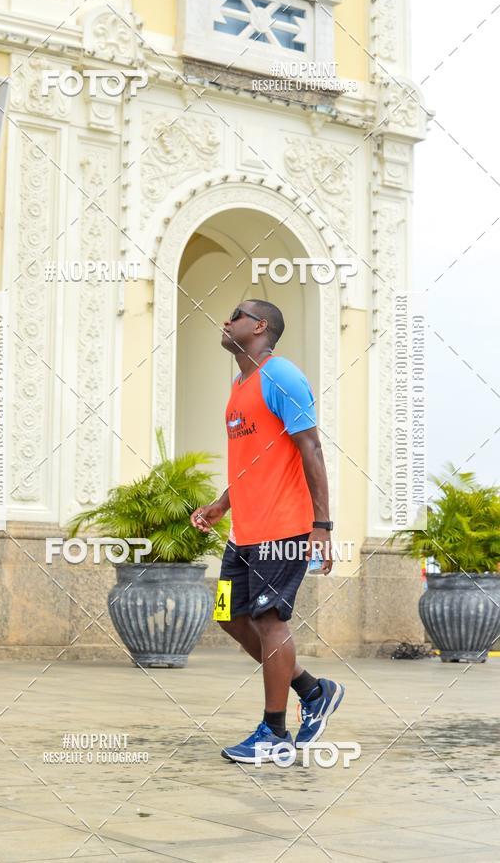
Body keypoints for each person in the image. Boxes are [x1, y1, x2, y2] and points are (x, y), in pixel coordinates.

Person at [190, 299, 344, 764]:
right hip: (245, 530)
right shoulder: (239, 385)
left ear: (260, 326)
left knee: (269, 621)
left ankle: (273, 733)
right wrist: (222, 504)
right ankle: (312, 690)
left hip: (285, 527)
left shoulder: (283, 377)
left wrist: (322, 527)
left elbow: (311, 449)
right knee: (227, 615)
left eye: (235, 314)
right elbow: (252, 461)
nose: (226, 319)